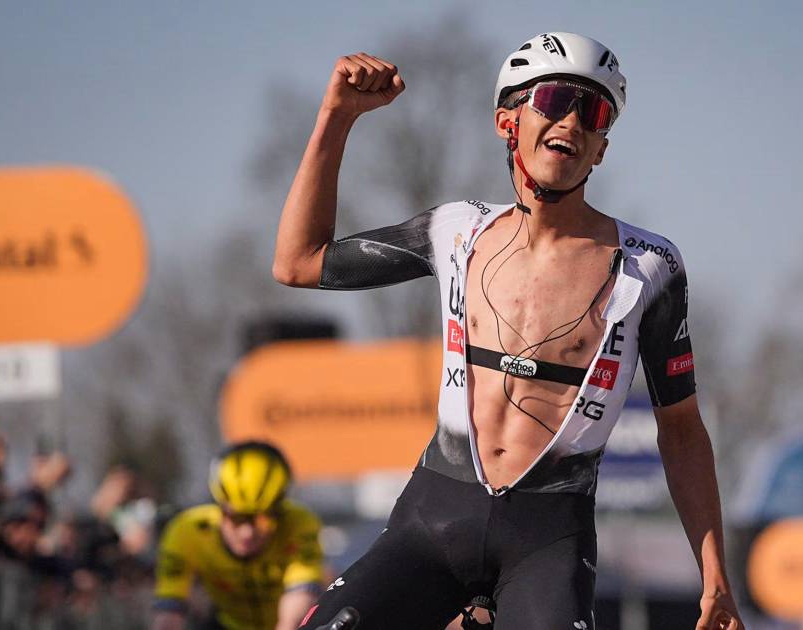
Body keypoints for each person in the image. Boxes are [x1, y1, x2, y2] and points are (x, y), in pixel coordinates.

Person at [274, 32, 742, 630]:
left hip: (548, 540)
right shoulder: (455, 231)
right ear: (507, 122)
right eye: (555, 100)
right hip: (433, 521)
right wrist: (337, 116)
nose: (572, 120)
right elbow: (298, 262)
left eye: (594, 112)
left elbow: (680, 430)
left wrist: (715, 577)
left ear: (601, 148)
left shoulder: (650, 266)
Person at [151, 441, 324, 630]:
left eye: (262, 520)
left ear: (278, 512)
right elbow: (169, 613)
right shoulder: (187, 530)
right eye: (237, 519)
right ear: (219, 508)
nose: (247, 533)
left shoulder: (299, 522)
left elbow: (298, 602)